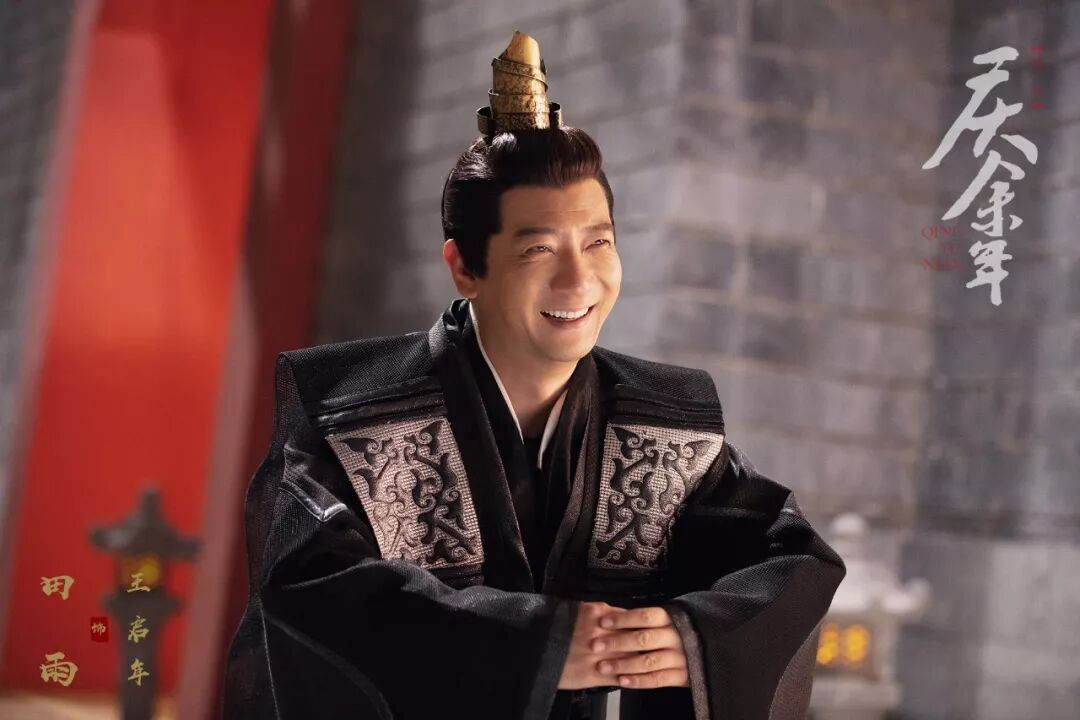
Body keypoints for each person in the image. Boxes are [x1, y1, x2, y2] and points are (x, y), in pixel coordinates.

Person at [222, 30, 846, 720]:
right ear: (465, 267)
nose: (579, 280)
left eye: (598, 242)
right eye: (539, 250)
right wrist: (534, 646)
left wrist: (694, 639)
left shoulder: (663, 420)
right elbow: (311, 584)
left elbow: (793, 558)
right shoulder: (350, 412)